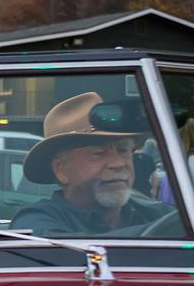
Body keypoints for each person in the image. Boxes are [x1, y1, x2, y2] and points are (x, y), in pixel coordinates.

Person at [11, 93, 172, 237]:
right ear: (62, 170)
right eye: (99, 153)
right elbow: (69, 254)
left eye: (123, 150)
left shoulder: (158, 214)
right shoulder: (35, 221)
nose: (118, 163)